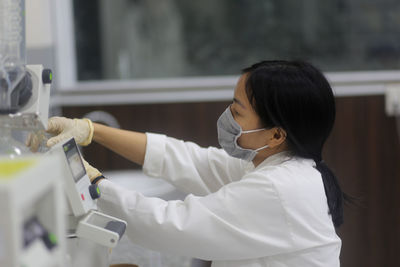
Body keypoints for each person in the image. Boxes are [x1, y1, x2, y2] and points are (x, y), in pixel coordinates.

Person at [36, 60, 343, 267]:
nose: (227, 117)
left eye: (238, 112)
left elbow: (170, 225)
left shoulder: (280, 188)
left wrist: (93, 183)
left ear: (276, 134)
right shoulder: (273, 165)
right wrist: (92, 131)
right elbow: (189, 160)